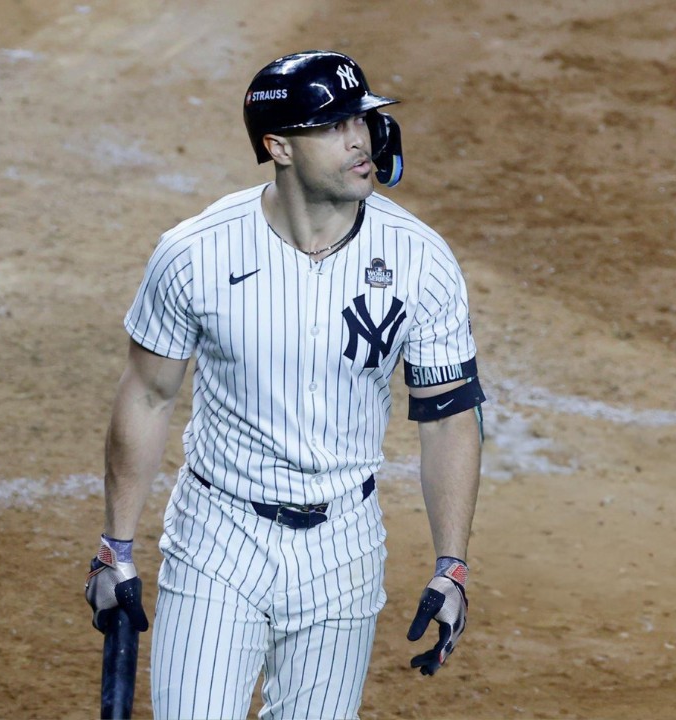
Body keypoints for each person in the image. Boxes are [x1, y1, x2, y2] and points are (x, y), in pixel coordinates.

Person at [84, 49, 485, 719]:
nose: (359, 138)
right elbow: (149, 394)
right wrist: (115, 548)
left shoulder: (422, 261)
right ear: (278, 146)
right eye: (331, 126)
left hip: (345, 547)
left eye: (361, 119)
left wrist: (453, 566)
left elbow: (449, 419)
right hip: (219, 536)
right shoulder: (195, 254)